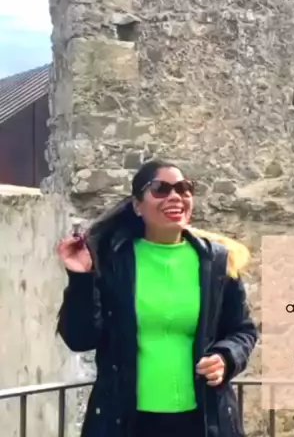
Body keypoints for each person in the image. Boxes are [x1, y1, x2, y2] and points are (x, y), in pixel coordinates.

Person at [55, 159, 258, 437]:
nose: (175, 196)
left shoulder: (217, 261)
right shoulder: (113, 261)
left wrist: (226, 357)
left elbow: (243, 330)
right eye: (161, 189)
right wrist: (81, 279)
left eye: (184, 189)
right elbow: (80, 338)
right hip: (126, 423)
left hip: (203, 422)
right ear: (138, 205)